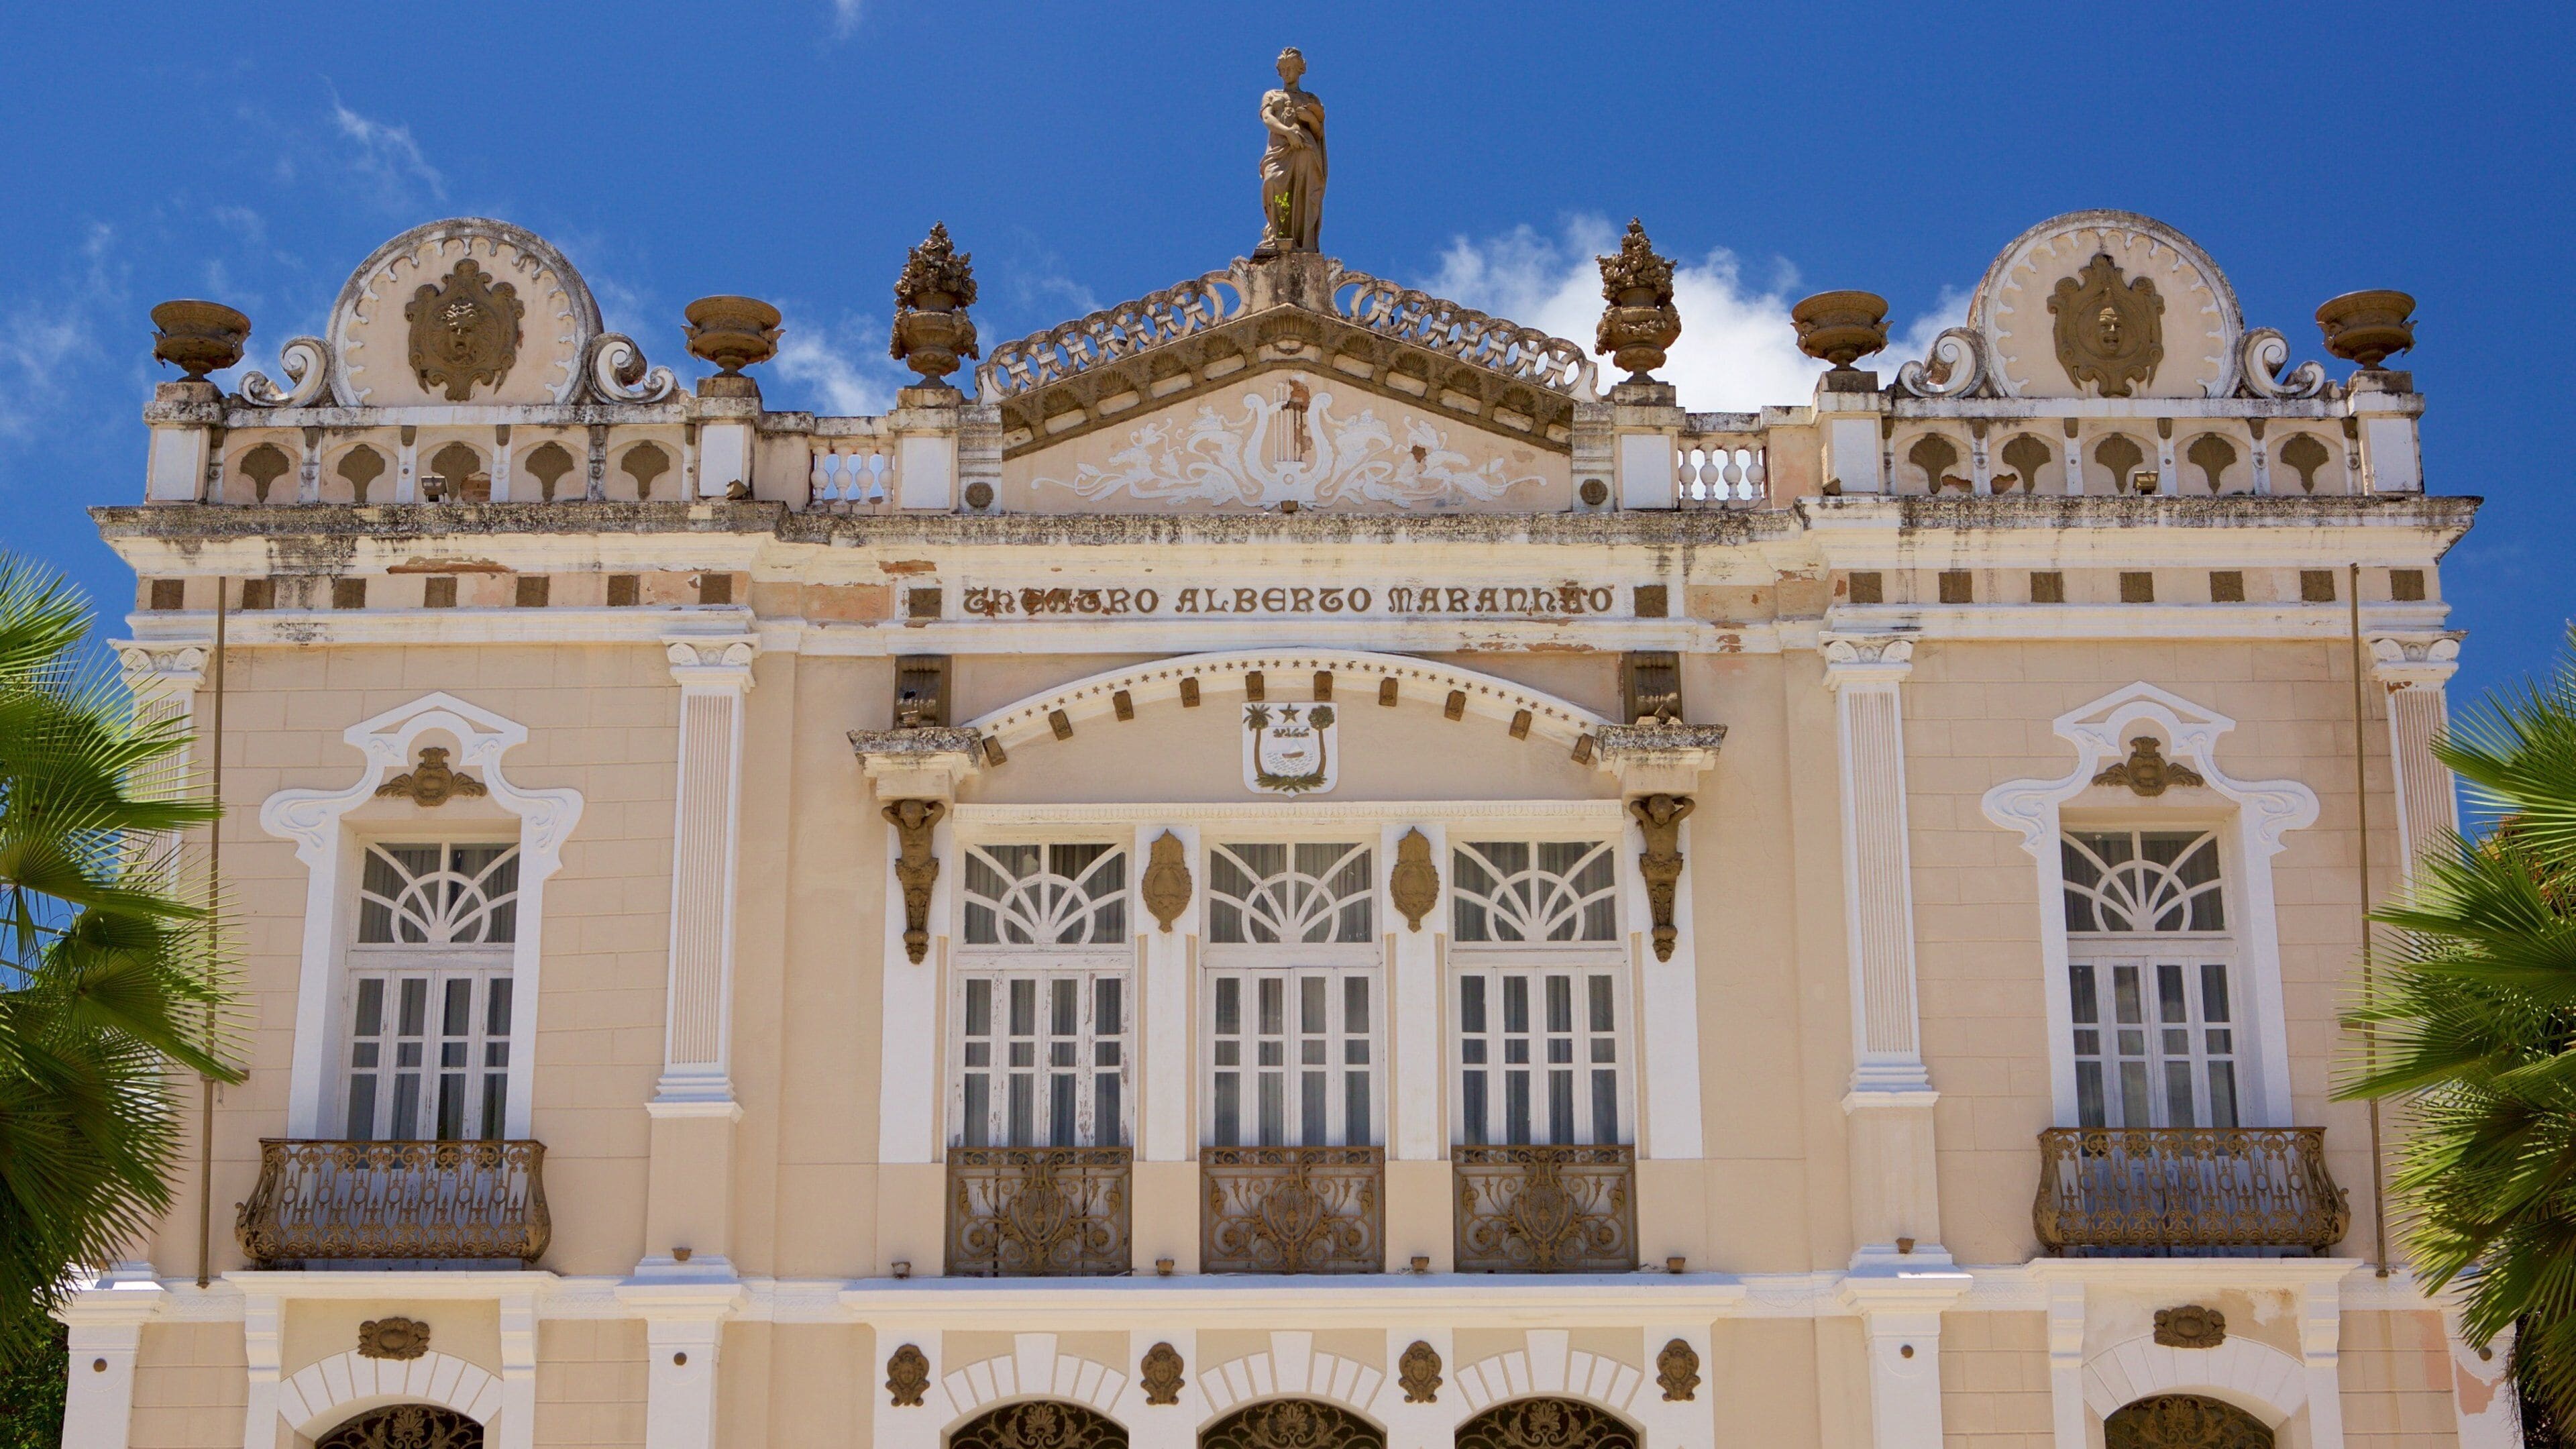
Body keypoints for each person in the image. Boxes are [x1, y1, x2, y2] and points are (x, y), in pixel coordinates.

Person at [1255, 48, 1326, 256]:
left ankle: (1302, 240)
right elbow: (1268, 119)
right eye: (1283, 69)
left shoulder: (1310, 98)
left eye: (1291, 68)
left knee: (1303, 192)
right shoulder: (1272, 95)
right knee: (1273, 182)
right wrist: (1288, 133)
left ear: (1301, 69)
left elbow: (1319, 131)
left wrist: (1309, 118)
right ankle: (1276, 235)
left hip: (1305, 150)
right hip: (1279, 150)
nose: (1287, 73)